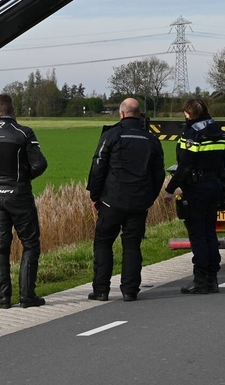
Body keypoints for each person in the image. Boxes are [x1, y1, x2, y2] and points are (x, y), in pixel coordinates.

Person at [0, 93, 48, 308]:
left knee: (1, 246)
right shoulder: (24, 133)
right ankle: (27, 296)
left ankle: (3, 298)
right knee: (30, 243)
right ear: (13, 111)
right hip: (19, 195)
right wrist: (23, 179)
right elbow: (40, 164)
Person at [86, 97, 166, 302]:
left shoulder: (111, 135)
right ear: (139, 114)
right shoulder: (151, 140)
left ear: (121, 114)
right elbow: (159, 174)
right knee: (132, 246)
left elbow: (98, 167)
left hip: (112, 201)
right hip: (139, 202)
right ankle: (130, 290)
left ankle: (101, 290)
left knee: (103, 244)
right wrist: (150, 198)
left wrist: (94, 195)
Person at [165, 98, 225, 294]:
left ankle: (200, 280)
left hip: (197, 187)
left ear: (189, 114)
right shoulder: (217, 130)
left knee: (198, 234)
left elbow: (185, 165)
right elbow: (221, 163)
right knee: (210, 232)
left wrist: (170, 188)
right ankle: (212, 279)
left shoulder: (192, 133)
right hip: (214, 185)